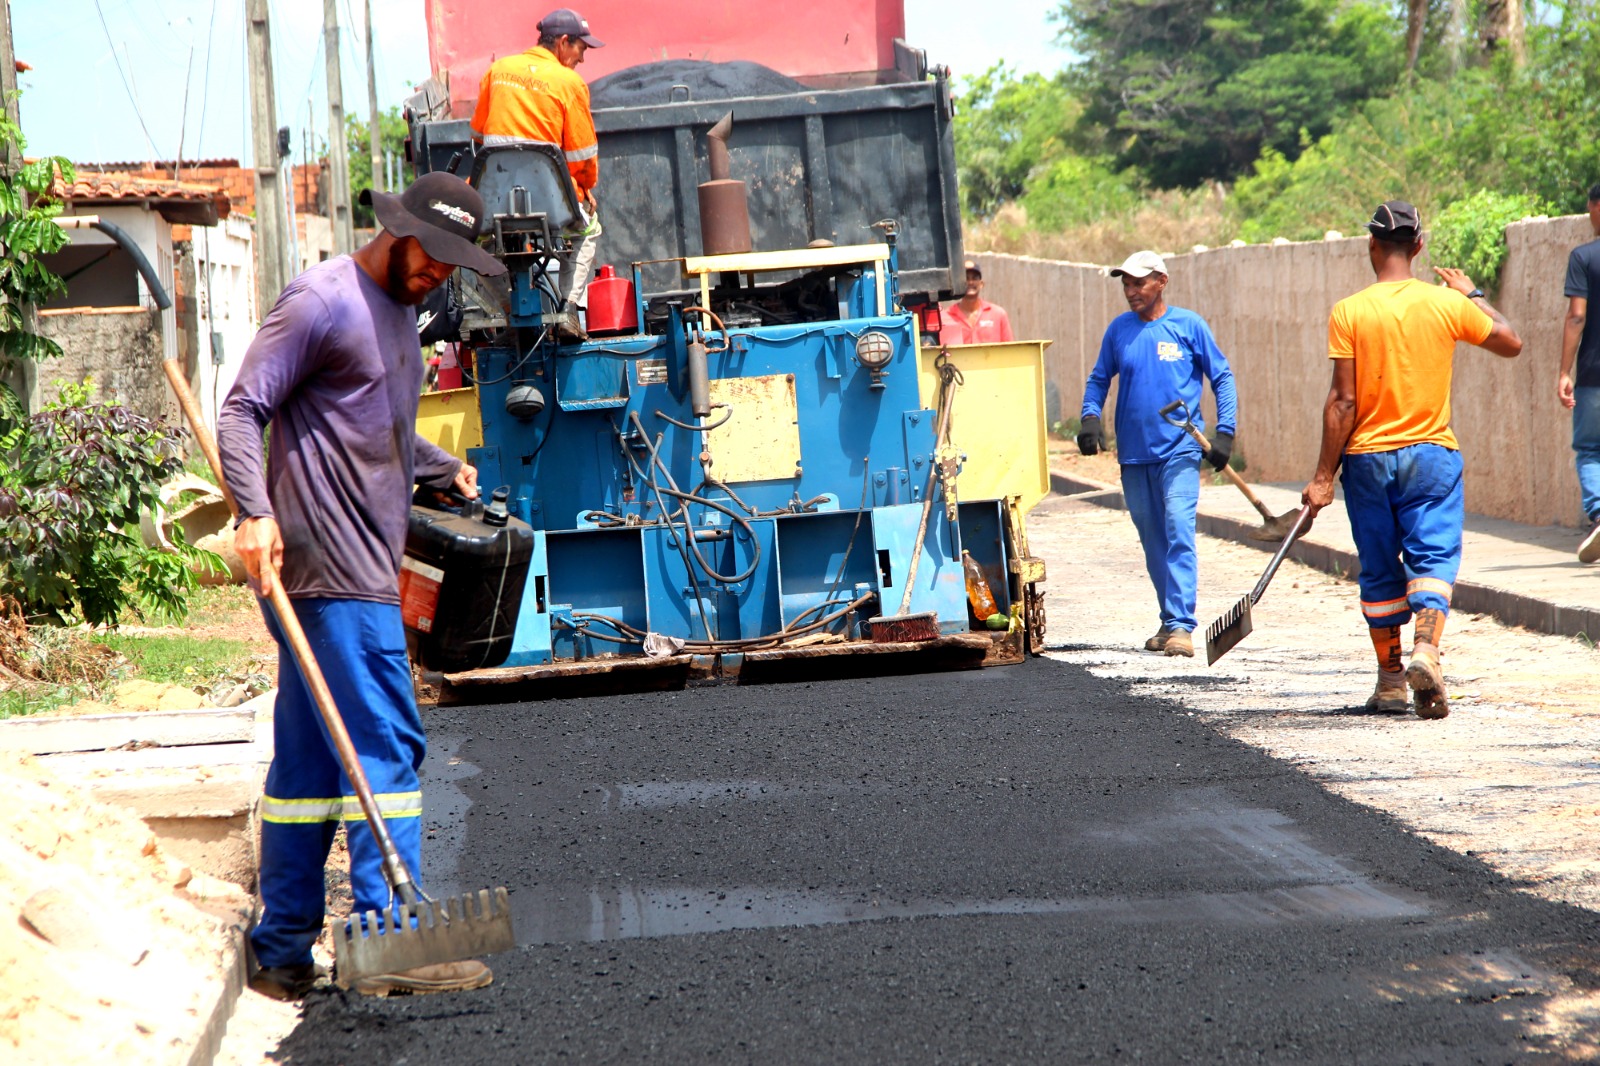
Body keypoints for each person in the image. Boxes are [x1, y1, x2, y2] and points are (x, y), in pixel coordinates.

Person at [217, 172, 509, 999]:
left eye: (454, 264)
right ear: (399, 230)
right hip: (334, 569)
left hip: (345, 569)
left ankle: (281, 949)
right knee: (387, 740)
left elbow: (375, 425)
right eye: (433, 255)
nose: (439, 274)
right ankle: (389, 937)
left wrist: (439, 466)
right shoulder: (322, 300)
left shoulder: (399, 315)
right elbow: (241, 410)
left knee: (310, 763)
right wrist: (254, 512)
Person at [1301, 200, 1521, 720]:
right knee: (1433, 558)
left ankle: (1390, 682)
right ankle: (1427, 647)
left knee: (1379, 568)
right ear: (1418, 246)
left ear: (1371, 245)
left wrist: (1322, 477)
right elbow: (1511, 342)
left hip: (1367, 460)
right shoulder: (1446, 304)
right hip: (1430, 455)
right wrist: (1472, 294)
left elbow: (1343, 402)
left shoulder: (1350, 311)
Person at [1077, 250, 1238, 658]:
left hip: (1180, 449)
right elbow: (1098, 379)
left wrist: (1225, 432)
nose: (1131, 291)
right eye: (1126, 284)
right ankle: (1169, 620)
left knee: (1178, 529)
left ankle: (1182, 625)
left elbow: (1221, 376)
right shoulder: (1119, 330)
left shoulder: (1188, 325)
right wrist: (1090, 418)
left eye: (1139, 283)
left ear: (1161, 281)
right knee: (1153, 540)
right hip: (1134, 456)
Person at [470, 7, 604, 343]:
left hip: (494, 204)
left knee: (471, 242)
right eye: (581, 48)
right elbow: (583, 159)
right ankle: (568, 309)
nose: (582, 58)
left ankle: (509, 312)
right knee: (589, 229)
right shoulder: (569, 83)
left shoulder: (497, 72)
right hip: (551, 207)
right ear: (563, 42)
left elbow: (478, 136)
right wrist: (585, 187)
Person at [1558, 182, 1600, 563]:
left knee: (1589, 449)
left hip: (1593, 375)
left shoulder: (1584, 257)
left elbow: (1576, 316)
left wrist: (1564, 371)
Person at [942, 259, 1014, 344]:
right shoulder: (946, 317)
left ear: (981, 284)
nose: (970, 282)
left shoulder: (998, 314)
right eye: (966, 278)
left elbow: (1010, 348)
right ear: (958, 284)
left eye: (974, 278)